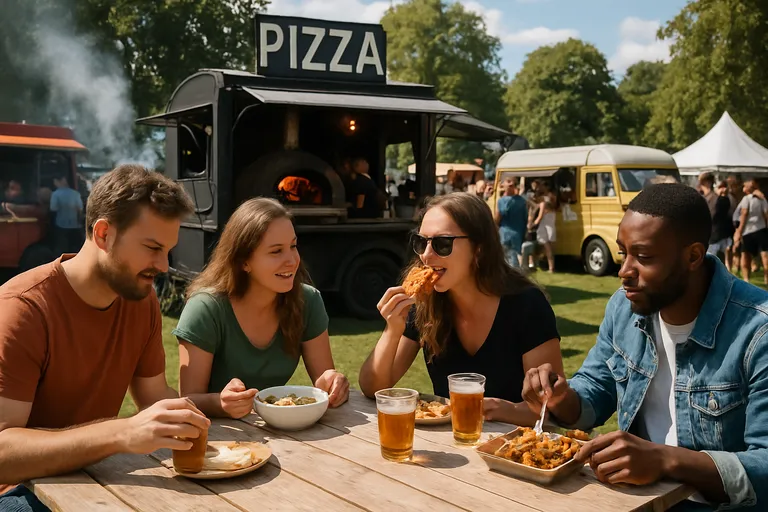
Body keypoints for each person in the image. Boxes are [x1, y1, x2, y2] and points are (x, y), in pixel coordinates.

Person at [522, 183, 768, 511]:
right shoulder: (623, 308)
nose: (624, 272)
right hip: (634, 502)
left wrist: (665, 460)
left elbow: (764, 466)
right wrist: (562, 397)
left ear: (693, 256)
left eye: (644, 257)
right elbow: (595, 389)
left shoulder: (757, 332)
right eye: (624, 253)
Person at [0, 164, 210, 511]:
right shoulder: (23, 309)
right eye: (152, 247)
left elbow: (154, 396)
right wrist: (122, 433)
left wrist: (190, 415)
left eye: (167, 251)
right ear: (103, 234)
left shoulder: (140, 299)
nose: (163, 265)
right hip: (21, 494)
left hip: (94, 476)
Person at [359, 193, 563, 425]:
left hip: (513, 448)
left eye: (442, 244)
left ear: (479, 249)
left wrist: (496, 408)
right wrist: (392, 330)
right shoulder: (425, 302)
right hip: (450, 446)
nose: (426, 255)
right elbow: (372, 388)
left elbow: (551, 407)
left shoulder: (526, 305)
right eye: (420, 242)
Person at [173, 198, 349, 419]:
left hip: (285, 434)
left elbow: (323, 383)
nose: (292, 260)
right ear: (243, 261)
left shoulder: (308, 300)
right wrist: (220, 403)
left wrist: (333, 383)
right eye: (276, 251)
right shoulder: (205, 308)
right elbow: (188, 400)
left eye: (293, 246)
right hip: (219, 440)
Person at [733, 179, 768, 284]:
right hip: (761, 229)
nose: (743, 189)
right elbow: (766, 215)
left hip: (747, 231)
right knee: (765, 255)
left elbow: (744, 214)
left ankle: (746, 279)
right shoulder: (763, 199)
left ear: (749, 188)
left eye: (744, 186)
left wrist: (738, 231)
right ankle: (766, 280)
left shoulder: (746, 199)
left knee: (745, 255)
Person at [494, 177, 528, 268]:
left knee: (505, 258)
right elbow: (526, 218)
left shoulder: (502, 201)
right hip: (518, 232)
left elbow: (498, 217)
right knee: (514, 256)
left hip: (505, 233)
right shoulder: (522, 201)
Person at [49, 174, 84, 256]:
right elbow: (80, 209)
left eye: (55, 181)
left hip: (61, 226)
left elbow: (53, 209)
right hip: (75, 226)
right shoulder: (75, 193)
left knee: (62, 250)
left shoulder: (55, 194)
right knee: (75, 249)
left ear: (59, 181)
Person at [530, 182, 557, 273]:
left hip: (544, 228)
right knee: (547, 248)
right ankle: (545, 265)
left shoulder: (543, 203)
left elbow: (539, 217)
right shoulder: (551, 202)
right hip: (550, 227)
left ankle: (549, 267)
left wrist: (532, 225)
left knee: (546, 247)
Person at [708, 181, 735, 262]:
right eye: (720, 187)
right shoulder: (713, 198)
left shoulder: (729, 198)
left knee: (720, 257)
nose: (723, 189)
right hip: (714, 234)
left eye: (724, 187)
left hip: (724, 233)